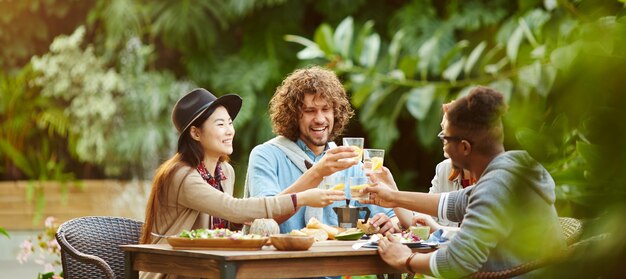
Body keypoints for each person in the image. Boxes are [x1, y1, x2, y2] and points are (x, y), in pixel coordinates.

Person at [140, 88, 344, 277]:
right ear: (195, 133)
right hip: (173, 271)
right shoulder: (181, 175)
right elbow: (233, 208)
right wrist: (301, 198)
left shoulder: (225, 172)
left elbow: (227, 222)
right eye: (220, 124)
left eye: (230, 123)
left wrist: (243, 222)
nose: (230, 131)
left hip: (210, 270)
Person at [365, 86, 566, 278]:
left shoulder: (497, 184)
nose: (442, 141)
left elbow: (458, 262)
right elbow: (454, 202)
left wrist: (405, 259)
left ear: (464, 147)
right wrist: (392, 196)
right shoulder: (508, 170)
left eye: (445, 137)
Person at [245, 66, 398, 234]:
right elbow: (263, 220)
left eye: (325, 109)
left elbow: (391, 216)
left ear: (335, 112)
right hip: (283, 257)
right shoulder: (266, 155)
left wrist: (387, 222)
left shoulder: (348, 162)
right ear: (293, 115)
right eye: (309, 111)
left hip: (338, 258)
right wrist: (318, 172)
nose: (319, 119)